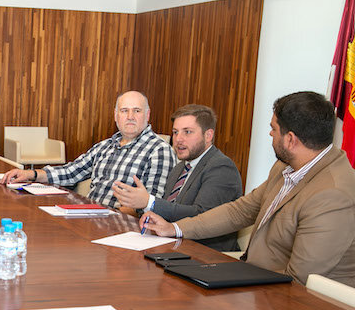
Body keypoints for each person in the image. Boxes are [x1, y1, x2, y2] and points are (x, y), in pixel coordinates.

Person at [141, 91, 355, 286]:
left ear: (290, 140)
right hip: (252, 274)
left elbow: (298, 280)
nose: (270, 135)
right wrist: (175, 228)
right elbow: (240, 210)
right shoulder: (285, 167)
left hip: (301, 306)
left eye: (273, 129)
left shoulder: (333, 194)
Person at [1, 91, 175, 208]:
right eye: (124, 111)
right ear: (116, 115)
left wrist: (115, 216)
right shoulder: (105, 146)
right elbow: (71, 171)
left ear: (147, 115)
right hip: (91, 215)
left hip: (121, 225)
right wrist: (31, 174)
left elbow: (153, 203)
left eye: (136, 111)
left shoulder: (159, 151)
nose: (130, 117)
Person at [111, 104, 242, 251]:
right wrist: (151, 216)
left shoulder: (221, 167)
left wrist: (149, 202)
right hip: (172, 246)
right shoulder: (180, 167)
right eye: (175, 132)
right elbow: (172, 212)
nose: (178, 139)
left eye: (187, 132)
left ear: (208, 135)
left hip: (206, 255)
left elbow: (202, 217)